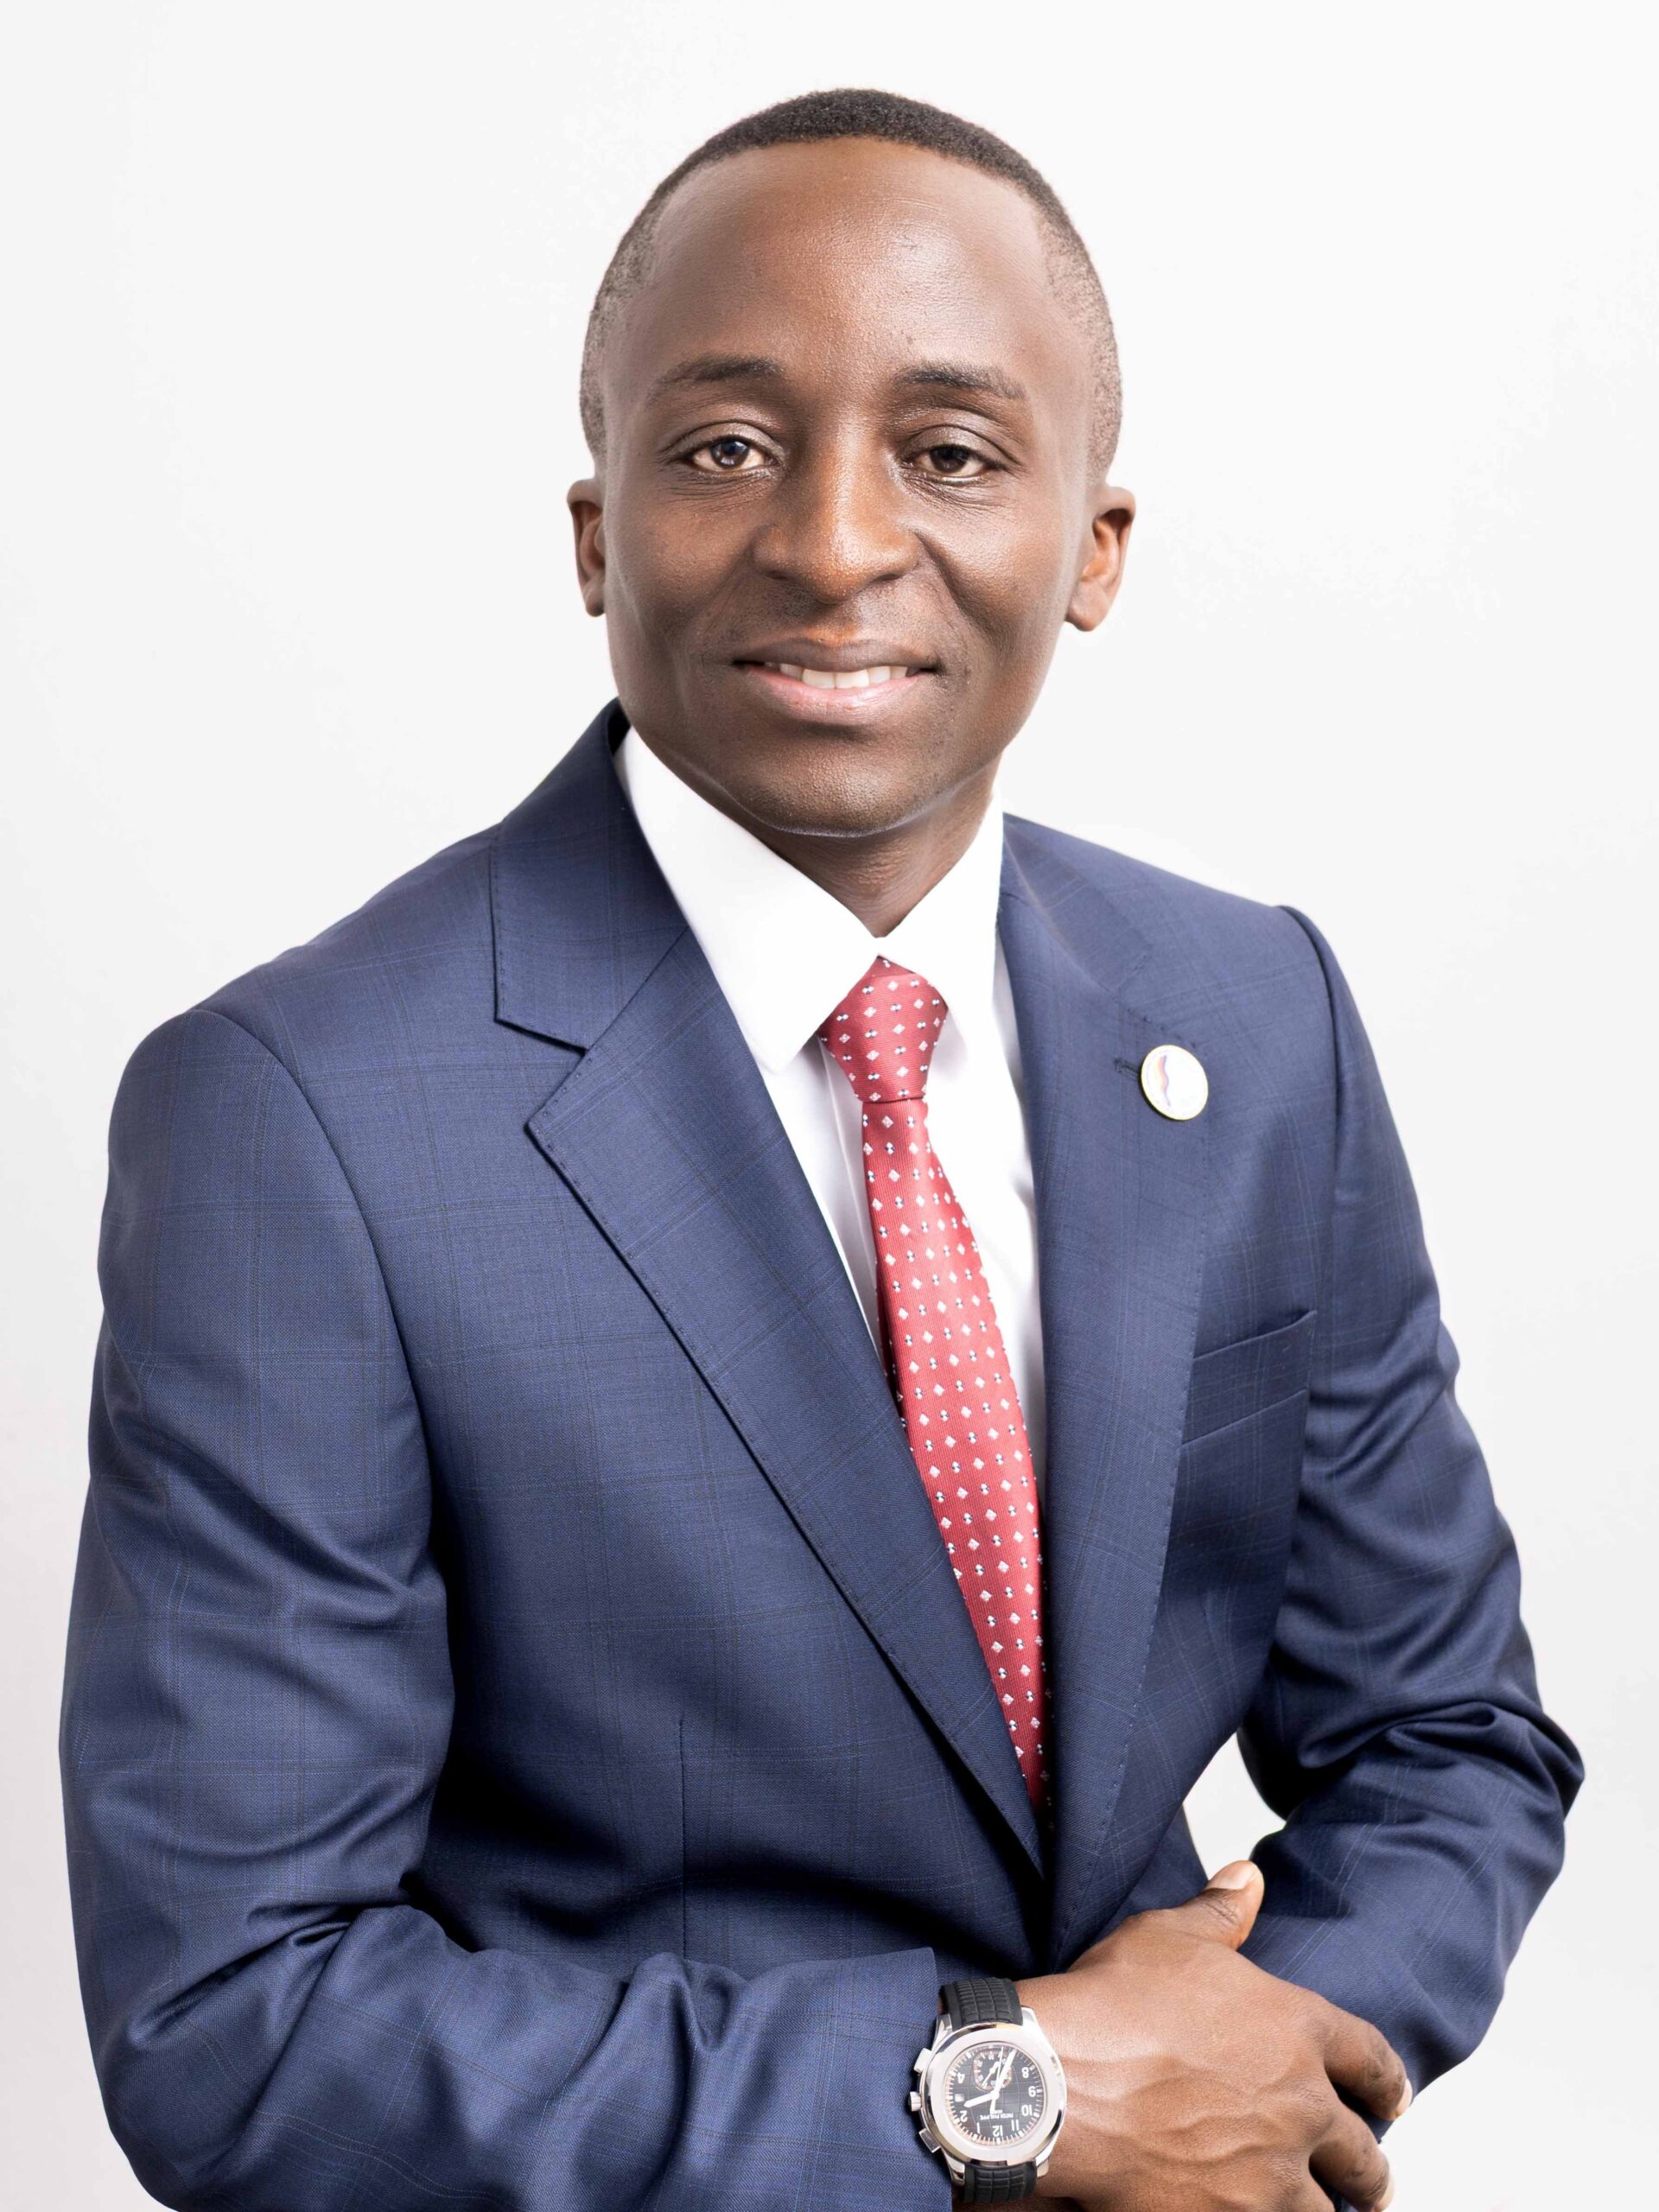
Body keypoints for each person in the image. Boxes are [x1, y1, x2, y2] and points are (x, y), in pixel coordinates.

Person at [60, 87, 1580, 2212]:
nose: (835, 540)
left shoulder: (1254, 1018)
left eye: (950, 452)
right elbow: (240, 2026)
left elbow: (1446, 1742)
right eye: (723, 447)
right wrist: (1011, 2092)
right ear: (596, 532)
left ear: (1095, 547)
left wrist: (1244, 2055)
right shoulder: (301, 1116)